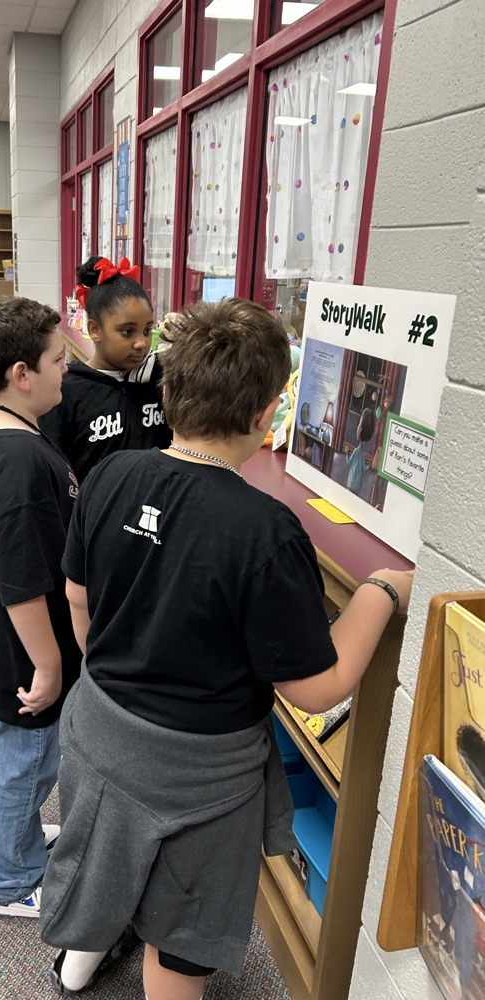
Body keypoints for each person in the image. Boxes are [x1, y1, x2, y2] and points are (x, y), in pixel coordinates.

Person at [40, 298, 413, 999]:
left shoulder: (111, 475)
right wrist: (379, 594)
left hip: (96, 729)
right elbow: (316, 688)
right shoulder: (266, 531)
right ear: (267, 415)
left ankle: (82, 954)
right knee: (179, 940)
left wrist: (116, 671)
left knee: (101, 859)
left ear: (170, 390)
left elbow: (78, 599)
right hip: (199, 773)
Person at [0, 295, 82, 919]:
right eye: (59, 360)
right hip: (22, 646)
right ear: (21, 374)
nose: (68, 370)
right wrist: (51, 666)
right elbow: (24, 583)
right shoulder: (25, 463)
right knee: (29, 764)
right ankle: (8, 878)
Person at [38, 256, 171, 482]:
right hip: (94, 513)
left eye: (147, 331)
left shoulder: (159, 378)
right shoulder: (66, 391)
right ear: (95, 330)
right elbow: (53, 472)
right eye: (127, 332)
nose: (141, 343)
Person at [345, 406, 377, 494]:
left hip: (350, 485)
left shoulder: (356, 451)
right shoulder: (362, 454)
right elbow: (364, 469)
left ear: (360, 429)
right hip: (357, 488)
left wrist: (347, 453)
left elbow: (348, 463)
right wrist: (369, 465)